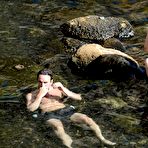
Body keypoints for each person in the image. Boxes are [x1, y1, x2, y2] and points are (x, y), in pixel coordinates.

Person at [26, 69, 116, 148]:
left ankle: (102, 139)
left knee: (87, 119)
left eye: (45, 82)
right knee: (59, 127)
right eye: (40, 82)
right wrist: (40, 95)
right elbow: (30, 109)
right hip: (50, 115)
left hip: (66, 111)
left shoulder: (58, 90)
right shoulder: (31, 95)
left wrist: (63, 88)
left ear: (51, 81)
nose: (42, 85)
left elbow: (79, 98)